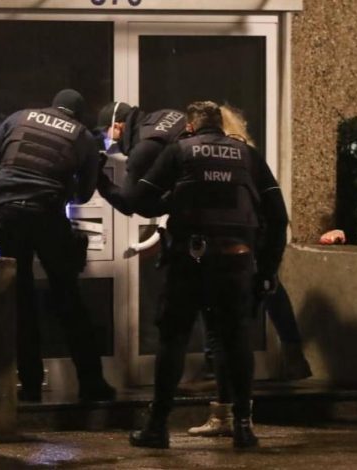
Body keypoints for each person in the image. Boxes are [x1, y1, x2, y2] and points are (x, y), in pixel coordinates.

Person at [127, 101, 288, 449]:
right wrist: (267, 268)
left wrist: (172, 199)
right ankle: (243, 426)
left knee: (173, 340)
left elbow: (139, 198)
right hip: (236, 262)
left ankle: (157, 426)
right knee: (236, 341)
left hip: (190, 261)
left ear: (190, 126)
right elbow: (278, 216)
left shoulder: (180, 151)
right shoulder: (247, 156)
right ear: (221, 124)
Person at [0, 88, 116, 403]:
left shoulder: (18, 118)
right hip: (46, 214)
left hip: (7, 213)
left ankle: (30, 386)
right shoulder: (81, 136)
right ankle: (92, 382)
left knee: (21, 300)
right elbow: (83, 195)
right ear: (78, 114)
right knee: (68, 297)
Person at [188, 104, 311, 438]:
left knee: (223, 333)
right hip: (250, 252)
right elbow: (275, 212)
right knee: (238, 330)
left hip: (231, 255)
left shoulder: (220, 158)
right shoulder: (248, 156)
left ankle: (228, 410)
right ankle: (239, 416)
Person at [95, 102, 187, 216]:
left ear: (117, 126)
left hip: (190, 209)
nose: (106, 138)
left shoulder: (142, 150)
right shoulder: (168, 113)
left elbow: (128, 203)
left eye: (105, 132)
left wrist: (99, 179)